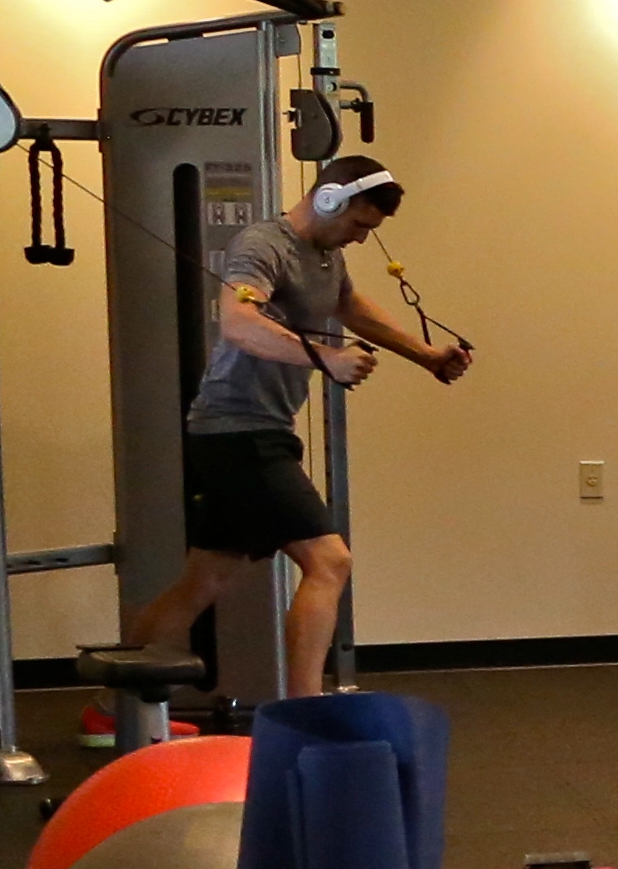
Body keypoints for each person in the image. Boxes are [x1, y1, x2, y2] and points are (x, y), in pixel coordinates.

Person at [99, 155, 468, 704]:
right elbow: (239, 322)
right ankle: (303, 711)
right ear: (327, 201)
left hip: (248, 429)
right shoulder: (263, 245)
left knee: (205, 579)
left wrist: (428, 356)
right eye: (359, 225)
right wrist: (325, 358)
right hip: (237, 431)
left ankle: (113, 709)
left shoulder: (326, 255)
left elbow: (348, 306)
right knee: (329, 561)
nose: (362, 239)